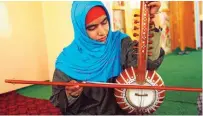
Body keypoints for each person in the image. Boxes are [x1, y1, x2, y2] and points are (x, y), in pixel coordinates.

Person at [50, 1, 165, 115]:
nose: (102, 32)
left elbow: (148, 64)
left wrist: (153, 19)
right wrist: (71, 94)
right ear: (80, 29)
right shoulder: (67, 60)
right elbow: (57, 102)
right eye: (92, 27)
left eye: (104, 22)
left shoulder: (120, 42)